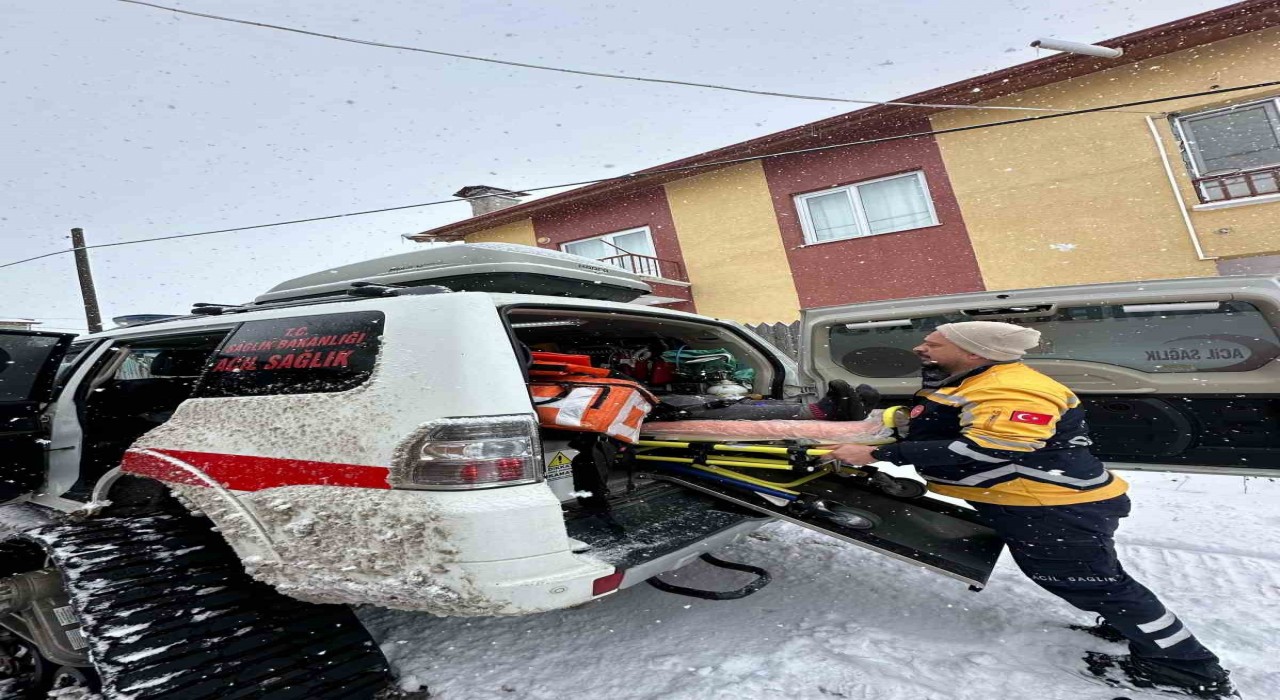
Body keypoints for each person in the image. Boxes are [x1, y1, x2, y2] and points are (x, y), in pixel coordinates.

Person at [825, 321, 1235, 698]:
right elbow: (942, 419)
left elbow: (992, 447)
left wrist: (881, 452)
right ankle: (1129, 627)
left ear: (973, 352)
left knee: (1092, 583)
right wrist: (884, 423)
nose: (920, 348)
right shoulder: (975, 379)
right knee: (1096, 582)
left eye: (933, 343)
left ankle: (1187, 669)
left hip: (1051, 505)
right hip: (1031, 502)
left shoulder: (1014, 388)